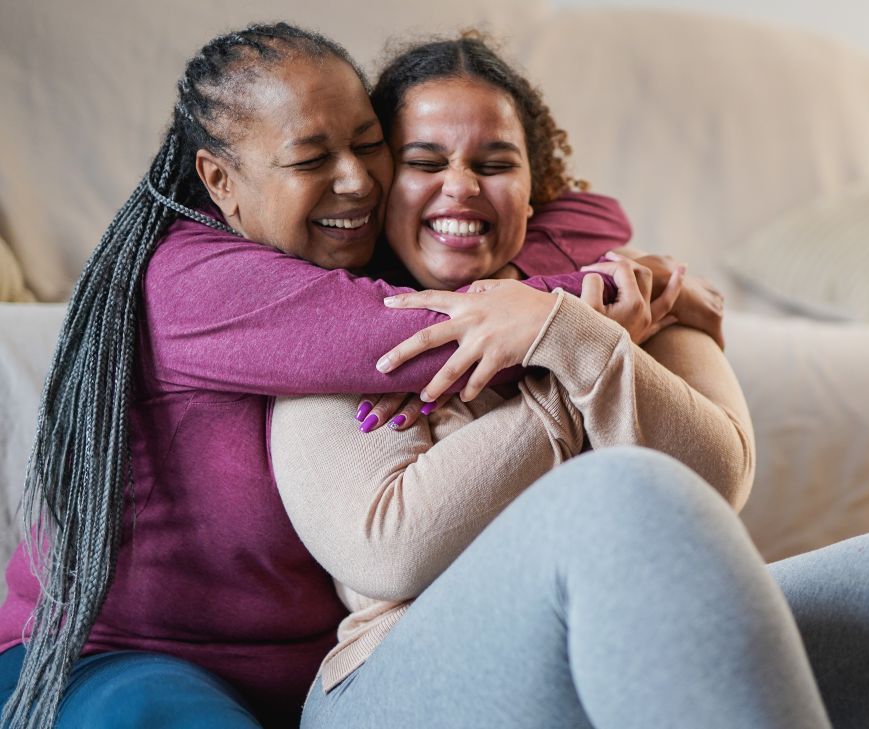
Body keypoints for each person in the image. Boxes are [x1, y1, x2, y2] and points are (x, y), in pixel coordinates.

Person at [270, 35, 869, 728]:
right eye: (425, 160)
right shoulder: (339, 325)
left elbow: (718, 477)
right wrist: (573, 364)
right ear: (381, 188)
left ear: (536, 190)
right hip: (403, 687)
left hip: (637, 648)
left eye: (495, 162)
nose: (461, 186)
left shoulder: (628, 296)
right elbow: (389, 545)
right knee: (619, 490)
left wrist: (572, 334)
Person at [0, 23, 639, 729]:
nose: (358, 180)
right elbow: (437, 338)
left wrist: (525, 282)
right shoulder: (195, 281)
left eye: (371, 146)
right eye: (311, 159)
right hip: (117, 664)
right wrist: (602, 300)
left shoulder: (343, 256)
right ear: (220, 180)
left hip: (313, 684)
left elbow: (593, 214)